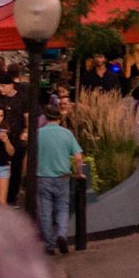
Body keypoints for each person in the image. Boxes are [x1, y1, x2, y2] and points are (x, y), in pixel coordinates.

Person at [33, 105, 84, 255]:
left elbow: (30, 156)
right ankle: (61, 234)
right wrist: (79, 173)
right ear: (60, 118)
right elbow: (78, 157)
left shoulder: (38, 134)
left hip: (43, 177)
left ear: (45, 118)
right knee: (62, 208)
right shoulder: (67, 134)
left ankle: (49, 246)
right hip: (63, 177)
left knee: (45, 212)